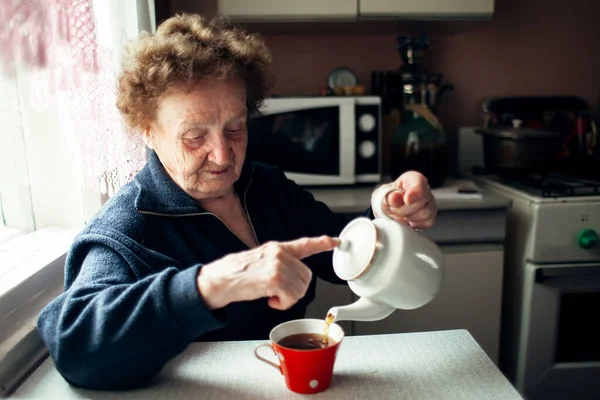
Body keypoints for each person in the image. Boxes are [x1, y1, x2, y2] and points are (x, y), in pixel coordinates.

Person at [37, 14, 437, 390]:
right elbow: (74, 346)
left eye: (235, 128)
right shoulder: (126, 231)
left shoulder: (264, 187)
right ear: (147, 131)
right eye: (195, 137)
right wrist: (214, 284)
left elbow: (341, 251)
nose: (224, 156)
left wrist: (389, 214)